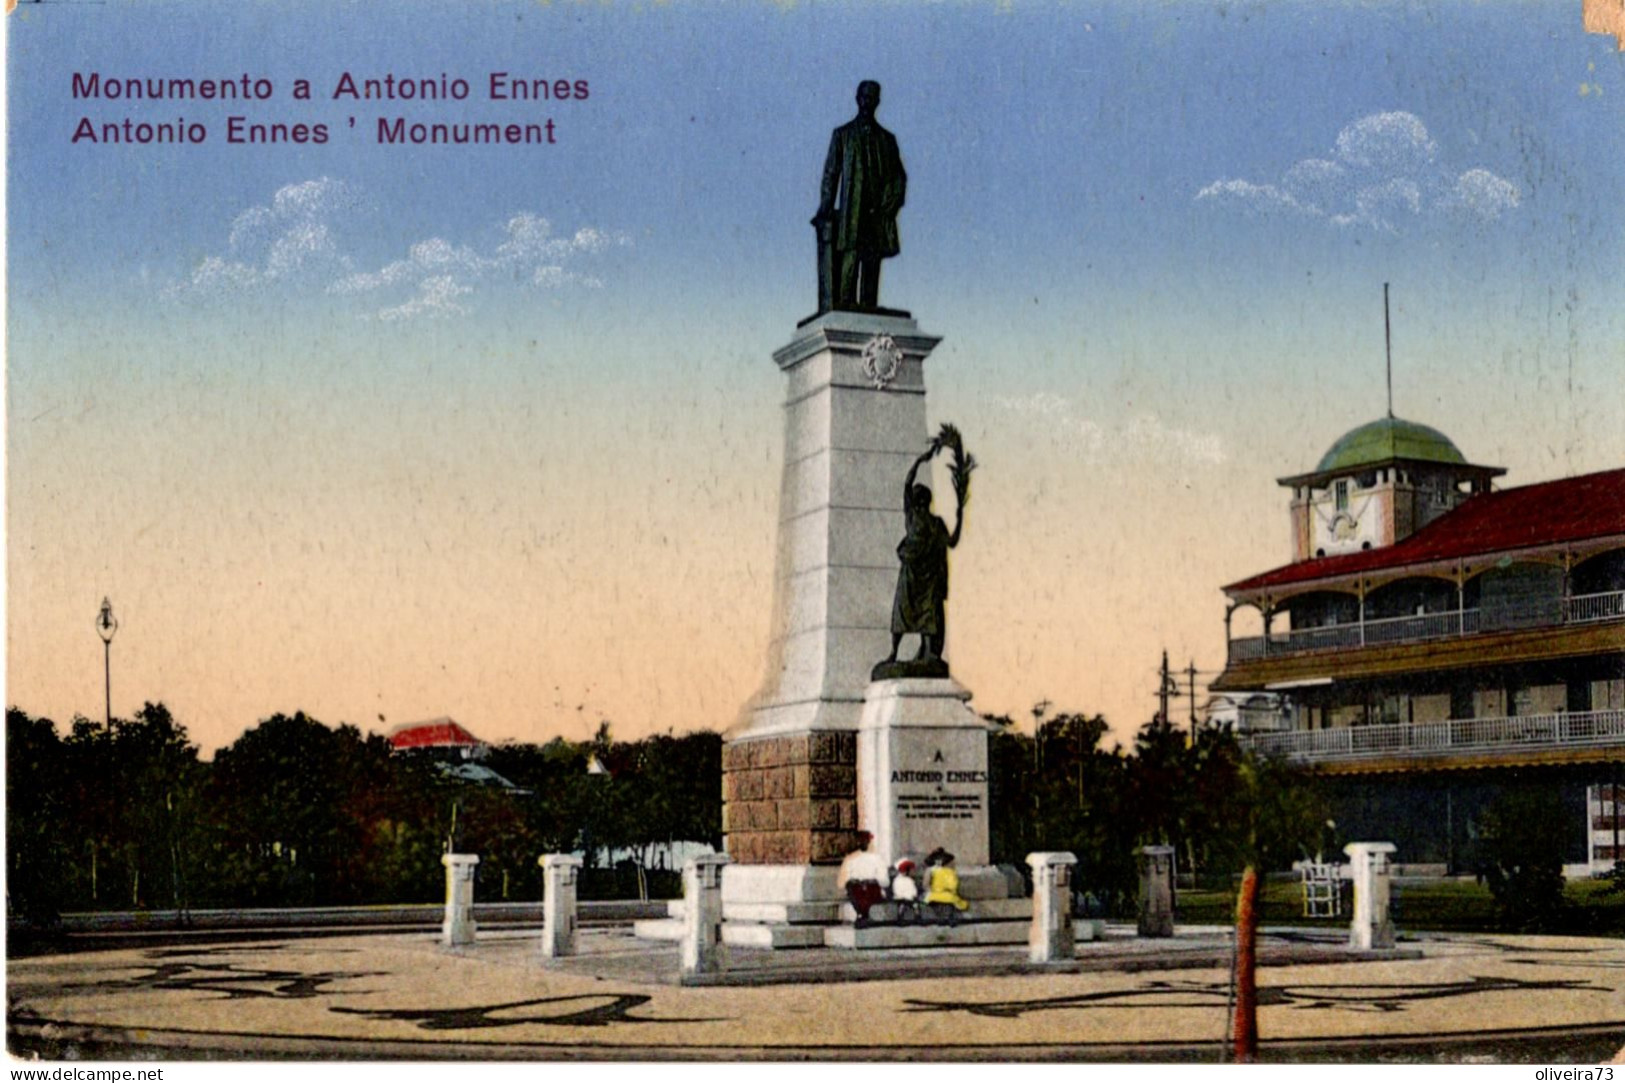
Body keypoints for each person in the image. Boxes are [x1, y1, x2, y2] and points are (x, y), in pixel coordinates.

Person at [813, 80, 906, 312]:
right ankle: (845, 301)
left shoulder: (887, 140)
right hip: (851, 211)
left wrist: (889, 204)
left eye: (872, 97)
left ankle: (868, 303)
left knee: (872, 258)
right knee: (850, 256)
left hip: (877, 212)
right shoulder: (843, 135)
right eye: (864, 97)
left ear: (878, 101)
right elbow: (831, 174)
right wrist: (825, 206)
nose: (867, 102)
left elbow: (898, 177)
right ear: (857, 99)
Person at [879, 442, 963, 668]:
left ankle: (923, 653)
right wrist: (919, 462)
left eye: (921, 501)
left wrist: (960, 514)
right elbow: (907, 484)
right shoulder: (919, 519)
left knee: (923, 615)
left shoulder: (927, 522)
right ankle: (895, 652)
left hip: (923, 578)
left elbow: (952, 541)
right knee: (906, 614)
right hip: (913, 574)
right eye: (918, 501)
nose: (919, 505)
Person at [836, 831, 888, 927]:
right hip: (867, 892)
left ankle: (862, 915)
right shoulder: (876, 859)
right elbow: (884, 881)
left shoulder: (852, 860)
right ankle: (864, 915)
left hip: (864, 891)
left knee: (857, 888)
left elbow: (845, 881)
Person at [924, 848, 969, 926]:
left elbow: (926, 884)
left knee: (946, 903)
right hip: (941, 894)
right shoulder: (934, 870)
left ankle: (946, 917)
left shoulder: (947, 871)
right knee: (945, 903)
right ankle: (946, 917)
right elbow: (926, 884)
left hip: (940, 894)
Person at [890, 860, 920, 925]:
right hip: (901, 897)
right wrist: (905, 896)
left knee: (915, 905)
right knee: (902, 905)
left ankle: (917, 917)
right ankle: (900, 918)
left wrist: (913, 894)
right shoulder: (897, 880)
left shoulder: (909, 880)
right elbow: (897, 890)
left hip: (910, 897)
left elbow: (913, 889)